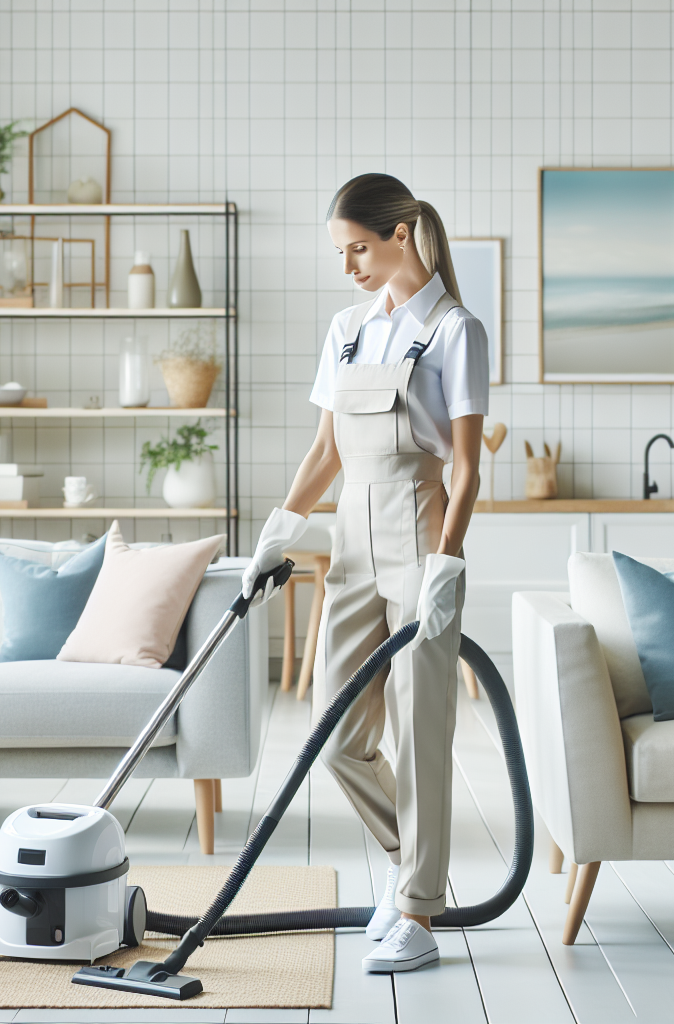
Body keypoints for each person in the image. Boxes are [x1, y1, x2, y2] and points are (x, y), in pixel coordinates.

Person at [243, 173, 488, 973]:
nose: (348, 266)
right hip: (351, 536)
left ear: (401, 233)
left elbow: (465, 466)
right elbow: (325, 451)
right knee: (335, 732)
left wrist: (446, 560)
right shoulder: (347, 329)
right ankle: (411, 864)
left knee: (420, 731)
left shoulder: (454, 329)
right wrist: (278, 534)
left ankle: (417, 911)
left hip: (419, 533)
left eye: (358, 248)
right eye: (340, 252)